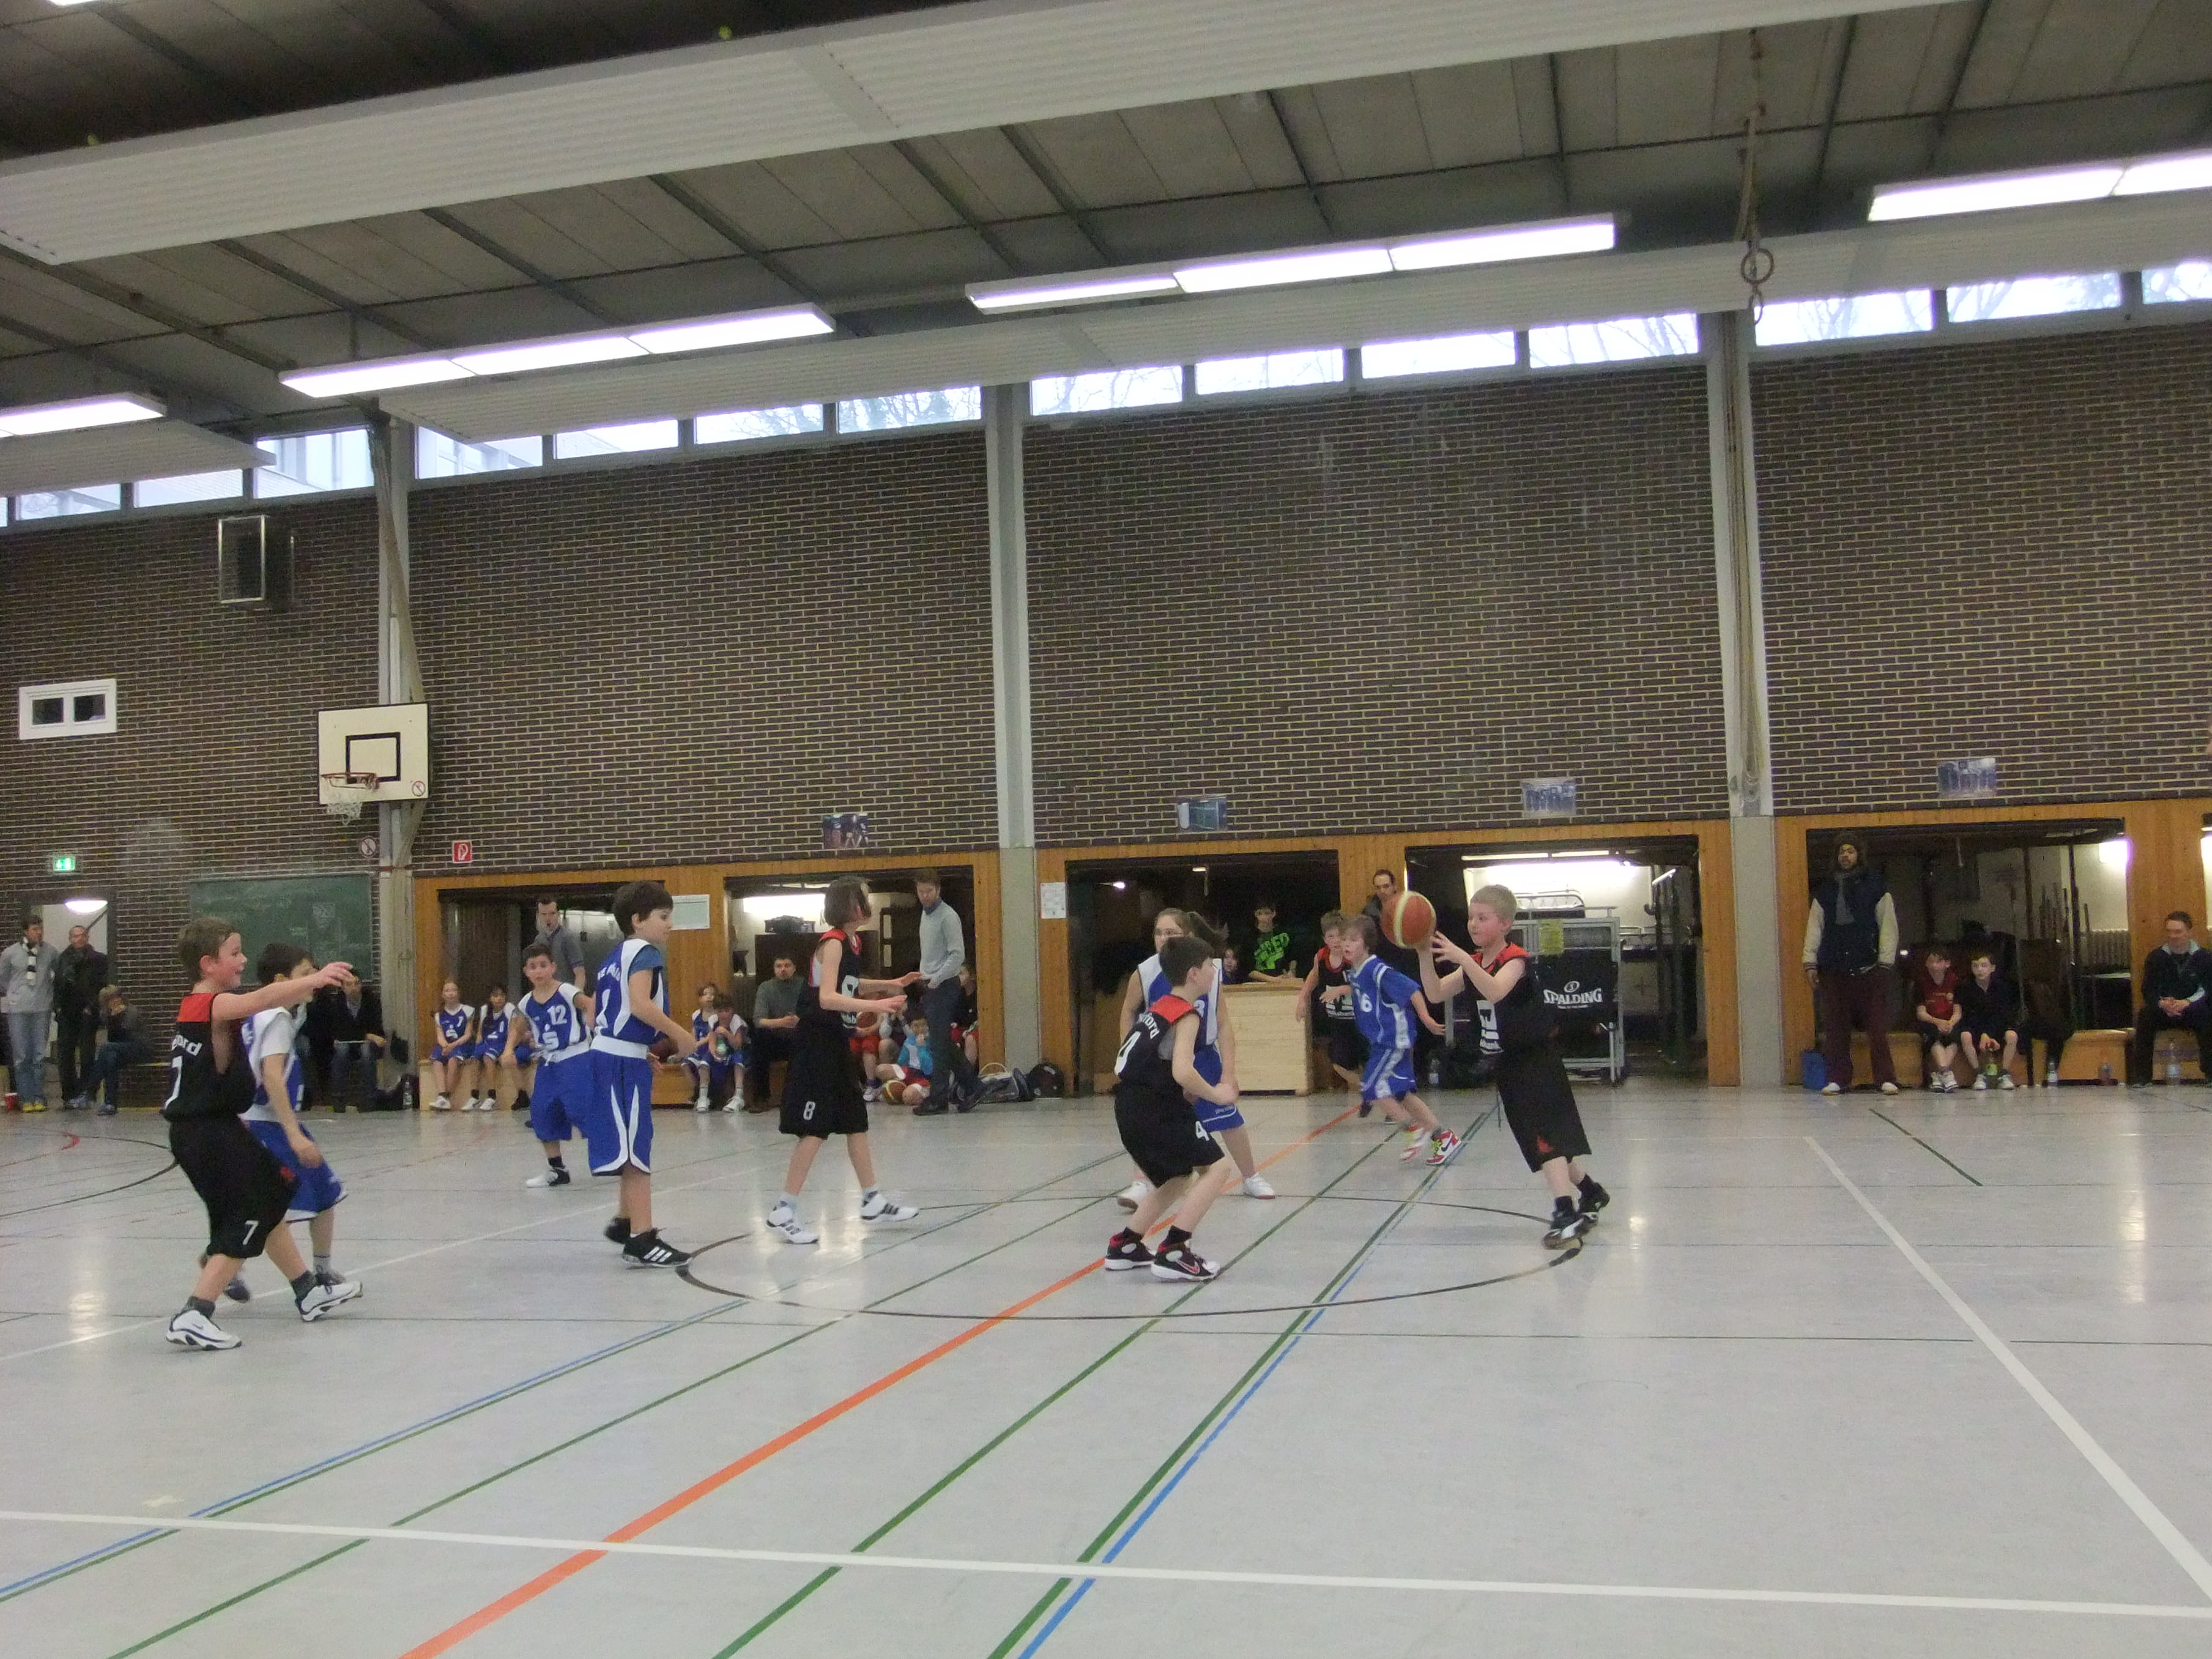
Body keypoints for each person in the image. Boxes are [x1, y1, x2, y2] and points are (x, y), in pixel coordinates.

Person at [161, 917, 359, 1350]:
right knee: (247, 1213)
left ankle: (307, 1290)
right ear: (208, 964)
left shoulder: (210, 1005)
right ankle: (195, 1312)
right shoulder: (207, 1004)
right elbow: (265, 998)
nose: (243, 960)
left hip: (221, 1125)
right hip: (203, 1132)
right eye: (234, 953)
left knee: (274, 1193)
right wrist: (317, 979)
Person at [1423, 885, 1608, 1247]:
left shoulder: (1516, 960)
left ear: (1505, 924)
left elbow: (1494, 990)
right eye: (1471, 918)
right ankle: (1592, 1191)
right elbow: (1434, 993)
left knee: (1546, 1140)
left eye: (1483, 918)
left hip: (1537, 1061)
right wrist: (1422, 954)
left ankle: (1565, 1211)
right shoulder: (1475, 963)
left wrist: (1463, 959)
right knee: (1542, 1143)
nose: (1473, 924)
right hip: (1507, 1065)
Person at [766, 877, 921, 1245]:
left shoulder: (852, 942)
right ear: (851, 905)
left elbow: (849, 984)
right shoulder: (832, 943)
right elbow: (828, 998)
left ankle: (872, 1199)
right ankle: (784, 1209)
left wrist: (890, 983)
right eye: (863, 898)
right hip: (816, 1045)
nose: (868, 902)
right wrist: (878, 1006)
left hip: (836, 1044)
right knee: (815, 1130)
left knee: (855, 1121)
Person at [1114, 909, 1274, 1207]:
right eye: (1159, 933)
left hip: (1201, 1055)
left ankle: (1251, 1176)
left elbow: (1223, 1023)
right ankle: (1142, 1181)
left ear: (1187, 936)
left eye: (1171, 933)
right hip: (1163, 1061)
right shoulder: (1145, 972)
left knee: (1229, 1118)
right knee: (1156, 1120)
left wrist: (1229, 1073)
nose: (1164, 938)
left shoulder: (1207, 972)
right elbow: (1128, 1011)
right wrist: (1129, 1050)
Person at [1104, 933, 1239, 1281]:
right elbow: (1182, 1070)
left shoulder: (1159, 1007)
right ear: (1194, 973)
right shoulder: (1187, 1014)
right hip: (1155, 1107)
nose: (1214, 972)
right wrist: (1217, 1094)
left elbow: (1146, 1061)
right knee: (1218, 1168)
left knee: (1177, 1176)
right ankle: (1174, 1250)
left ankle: (1126, 1245)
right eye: (1209, 966)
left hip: (1129, 1106)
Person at [242, 943, 362, 1307]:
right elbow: (272, 1076)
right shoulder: (277, 1018)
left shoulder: (265, 1012)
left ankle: (322, 1270)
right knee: (271, 1210)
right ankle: (226, 1261)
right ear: (282, 980)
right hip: (268, 1125)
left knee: (325, 1192)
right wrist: (293, 1133)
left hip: (269, 1121)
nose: (315, 979)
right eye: (306, 974)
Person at [588, 880, 700, 1266]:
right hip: (619, 1062)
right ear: (637, 920)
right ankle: (642, 1238)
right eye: (664, 917)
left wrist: (642, 1050)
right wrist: (679, 1034)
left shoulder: (614, 955)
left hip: (613, 1055)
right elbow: (639, 1005)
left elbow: (605, 1012)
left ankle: (625, 1220)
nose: (670, 924)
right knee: (636, 1147)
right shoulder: (646, 952)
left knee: (629, 1142)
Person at [1339, 913, 1458, 1165]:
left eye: (1353, 939)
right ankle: (1443, 1136)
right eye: (1344, 939)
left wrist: (1425, 1017)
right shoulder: (1356, 972)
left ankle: (1412, 1129)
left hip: (1393, 1038)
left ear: (1367, 944)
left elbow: (1411, 989)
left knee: (1372, 1087)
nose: (1347, 944)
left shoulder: (1377, 969)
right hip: (1381, 1040)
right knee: (1401, 1092)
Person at [1802, 832, 1901, 1096]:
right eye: (1841, 852)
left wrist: (1885, 961)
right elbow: (1815, 926)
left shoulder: (1876, 886)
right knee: (1836, 1029)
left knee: (1877, 1028)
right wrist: (1810, 962)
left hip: (1869, 967)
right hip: (1833, 969)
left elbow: (1888, 925)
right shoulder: (1825, 891)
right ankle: (1838, 1079)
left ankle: (1886, 1078)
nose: (1846, 856)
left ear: (1859, 855)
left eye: (1851, 851)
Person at [511, 941, 593, 1187]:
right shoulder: (526, 1002)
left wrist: (595, 1027)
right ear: (526, 972)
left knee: (582, 1109)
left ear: (553, 967)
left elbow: (589, 1005)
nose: (539, 971)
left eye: (543, 965)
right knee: (542, 1111)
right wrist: (508, 1049)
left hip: (575, 1057)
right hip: (548, 1062)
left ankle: (615, 1154)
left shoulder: (566, 991)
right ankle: (557, 1169)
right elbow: (519, 1025)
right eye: (533, 967)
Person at [913, 869, 981, 1116]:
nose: (925, 896)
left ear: (939, 890)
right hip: (931, 983)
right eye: (921, 891)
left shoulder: (948, 917)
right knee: (940, 1042)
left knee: (939, 1045)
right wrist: (924, 973)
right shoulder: (925, 914)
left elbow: (957, 955)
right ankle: (973, 1086)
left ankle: (939, 1097)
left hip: (944, 984)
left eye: (929, 891)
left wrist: (936, 978)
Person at [1296, 911, 1371, 1108]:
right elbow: (1314, 976)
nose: (1336, 941)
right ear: (1325, 939)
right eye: (1331, 936)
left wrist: (1342, 989)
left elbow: (1366, 983)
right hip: (1338, 1021)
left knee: (1369, 1060)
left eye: (1339, 936)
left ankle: (1383, 1096)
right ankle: (1368, 1089)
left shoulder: (1353, 958)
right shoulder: (1321, 957)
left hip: (1360, 1020)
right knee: (1338, 1062)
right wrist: (1302, 998)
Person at [2128, 911, 2212, 1087]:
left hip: (2193, 1009)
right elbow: (2148, 989)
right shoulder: (2156, 957)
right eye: (2169, 931)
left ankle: (2210, 1073)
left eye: (2178, 932)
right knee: (2145, 1016)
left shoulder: (2204, 957)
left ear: (2189, 932)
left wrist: (2187, 1003)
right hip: (2165, 1010)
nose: (2173, 936)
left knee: (2208, 1016)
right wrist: (2162, 1003)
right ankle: (2142, 1076)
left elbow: (2207, 989)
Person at [303, 967, 387, 1112]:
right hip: (346, 1043)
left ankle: (370, 1098)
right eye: (349, 985)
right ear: (342, 988)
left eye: (357, 984)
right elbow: (340, 1031)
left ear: (361, 985)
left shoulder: (371, 1001)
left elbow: (375, 1026)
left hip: (369, 1044)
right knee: (341, 1051)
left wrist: (367, 1036)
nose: (353, 988)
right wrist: (366, 1035)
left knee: (367, 1052)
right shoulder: (337, 1004)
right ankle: (338, 1098)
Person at [1, 916, 59, 1109]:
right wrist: (16, 993)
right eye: (35, 929)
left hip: (41, 1008)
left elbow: (59, 973)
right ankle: (26, 1099)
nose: (39, 933)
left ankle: (39, 1097)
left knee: (39, 1055)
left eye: (41, 929)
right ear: (26, 931)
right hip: (18, 1009)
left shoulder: (50, 952)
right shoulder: (10, 953)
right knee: (22, 1055)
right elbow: (3, 978)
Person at [54, 923, 107, 1110]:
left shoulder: (98, 959)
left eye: (83, 935)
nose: (80, 939)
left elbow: (101, 985)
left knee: (87, 1054)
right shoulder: (63, 959)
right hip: (67, 1012)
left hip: (87, 1012)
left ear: (88, 937)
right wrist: (57, 1008)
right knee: (65, 1055)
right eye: (76, 936)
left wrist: (92, 1006)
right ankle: (69, 1094)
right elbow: (58, 985)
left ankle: (87, 1092)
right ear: (70, 939)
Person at [1958, 949, 2021, 1091]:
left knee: (2012, 1035)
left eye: (1984, 965)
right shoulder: (1966, 988)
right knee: (1965, 1036)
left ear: (1992, 968)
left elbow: (2002, 1014)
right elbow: (1969, 1015)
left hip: (1998, 1027)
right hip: (1975, 1028)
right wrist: (1982, 1035)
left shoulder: (2002, 987)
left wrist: (1990, 1035)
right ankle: (1979, 1074)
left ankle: (2004, 1074)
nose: (1980, 970)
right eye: (1975, 966)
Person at [746, 951, 803, 1110]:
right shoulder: (766, 988)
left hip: (799, 1037)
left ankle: (796, 1098)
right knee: (759, 1040)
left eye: (787, 965)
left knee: (810, 1039)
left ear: (794, 968)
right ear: (774, 969)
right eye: (779, 966)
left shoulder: (804, 986)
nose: (783, 969)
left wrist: (799, 1021)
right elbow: (759, 1020)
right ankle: (761, 1098)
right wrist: (783, 1022)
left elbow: (813, 1015)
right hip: (776, 1038)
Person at [86, 985, 149, 1116]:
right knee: (111, 1060)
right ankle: (110, 1103)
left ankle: (90, 1091)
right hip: (120, 1050)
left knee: (106, 1048)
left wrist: (117, 1017)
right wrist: (113, 1018)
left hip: (139, 1047)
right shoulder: (107, 1014)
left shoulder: (131, 1012)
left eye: (115, 998)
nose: (114, 1001)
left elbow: (126, 1036)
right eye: (110, 999)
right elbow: (114, 1039)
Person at [1913, 946, 1966, 1093]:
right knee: (1932, 1036)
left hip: (1950, 1021)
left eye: (1939, 962)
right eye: (1931, 962)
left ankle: (1939, 1075)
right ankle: (1946, 1072)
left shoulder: (1955, 982)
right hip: (1930, 1021)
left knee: (1956, 1036)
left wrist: (1950, 1023)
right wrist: (1937, 1022)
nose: (1934, 965)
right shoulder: (1921, 983)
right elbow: (1921, 1013)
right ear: (1926, 964)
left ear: (1947, 964)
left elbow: (1958, 1011)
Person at [426, 982, 475, 1111]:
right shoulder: (439, 1015)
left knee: (453, 1060)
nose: (451, 993)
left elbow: (468, 1034)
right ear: (443, 995)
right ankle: (441, 1095)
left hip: (462, 1044)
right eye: (447, 991)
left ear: (459, 993)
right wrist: (445, 1045)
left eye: (454, 990)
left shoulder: (467, 1011)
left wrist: (454, 1045)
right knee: (437, 1060)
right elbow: (440, 1035)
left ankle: (447, 1096)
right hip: (446, 1045)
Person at [465, 985, 513, 1110]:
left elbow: (513, 1030)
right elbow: (480, 1031)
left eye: (502, 995)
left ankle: (492, 1096)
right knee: (474, 1059)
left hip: (501, 1042)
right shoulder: (485, 1010)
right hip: (487, 1042)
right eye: (495, 996)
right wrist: (477, 1047)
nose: (499, 999)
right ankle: (474, 1096)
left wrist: (508, 1050)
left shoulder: (509, 1008)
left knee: (488, 1058)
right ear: (490, 998)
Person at [530, 896, 588, 991]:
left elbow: (580, 973)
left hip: (565, 992)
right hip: (545, 993)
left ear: (558, 914)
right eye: (544, 914)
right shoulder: (538, 940)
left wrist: (576, 996)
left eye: (552, 914)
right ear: (538, 916)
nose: (548, 918)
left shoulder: (567, 937)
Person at [1242, 902, 1297, 984]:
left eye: (1267, 913)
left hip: (1283, 980)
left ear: (1273, 914)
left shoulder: (1283, 934)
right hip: (1259, 984)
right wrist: (1273, 980)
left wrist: (1292, 972)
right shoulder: (1249, 938)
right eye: (1260, 914)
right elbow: (1249, 970)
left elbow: (1292, 958)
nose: (1263, 917)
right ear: (1255, 915)